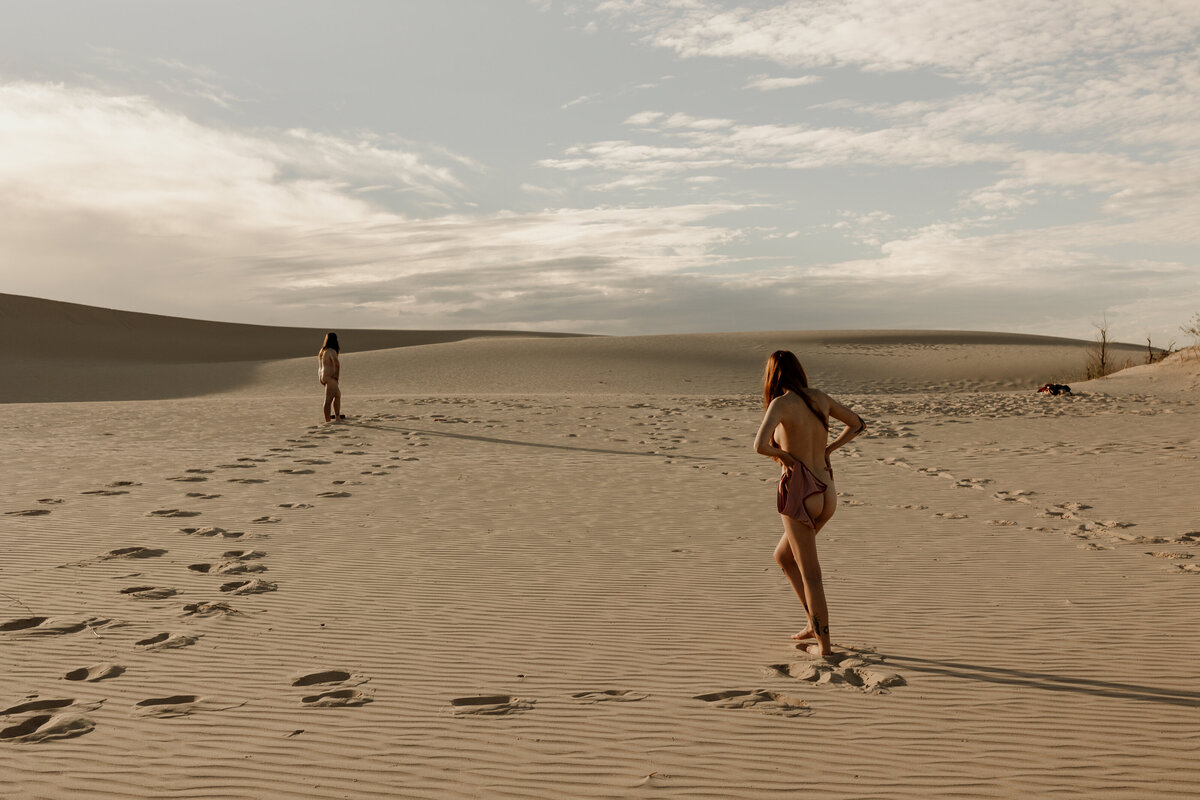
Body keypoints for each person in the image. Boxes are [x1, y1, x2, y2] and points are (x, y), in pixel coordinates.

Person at [753, 350, 865, 656]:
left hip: (801, 492)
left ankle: (824, 647)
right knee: (784, 557)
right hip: (827, 491)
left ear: (772, 375)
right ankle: (811, 624)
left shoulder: (781, 403)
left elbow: (759, 445)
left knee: (811, 574)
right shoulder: (819, 397)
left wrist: (786, 457)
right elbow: (857, 424)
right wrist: (830, 449)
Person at [318, 332, 342, 423]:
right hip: (330, 377)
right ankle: (327, 420)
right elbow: (336, 363)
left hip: (322, 376)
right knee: (328, 399)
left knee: (337, 395)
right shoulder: (332, 351)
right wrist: (336, 376)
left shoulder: (322, 351)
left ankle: (337, 417)